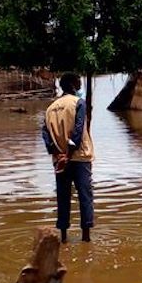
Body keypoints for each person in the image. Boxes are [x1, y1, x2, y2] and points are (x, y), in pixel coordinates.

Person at [41, 72, 94, 243]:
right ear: (72, 84)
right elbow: (78, 132)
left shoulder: (50, 108)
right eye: (78, 81)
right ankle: (86, 238)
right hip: (79, 158)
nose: (80, 84)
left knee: (63, 197)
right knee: (85, 196)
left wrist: (59, 155)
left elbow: (46, 135)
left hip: (60, 160)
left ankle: (63, 238)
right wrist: (69, 155)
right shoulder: (79, 103)